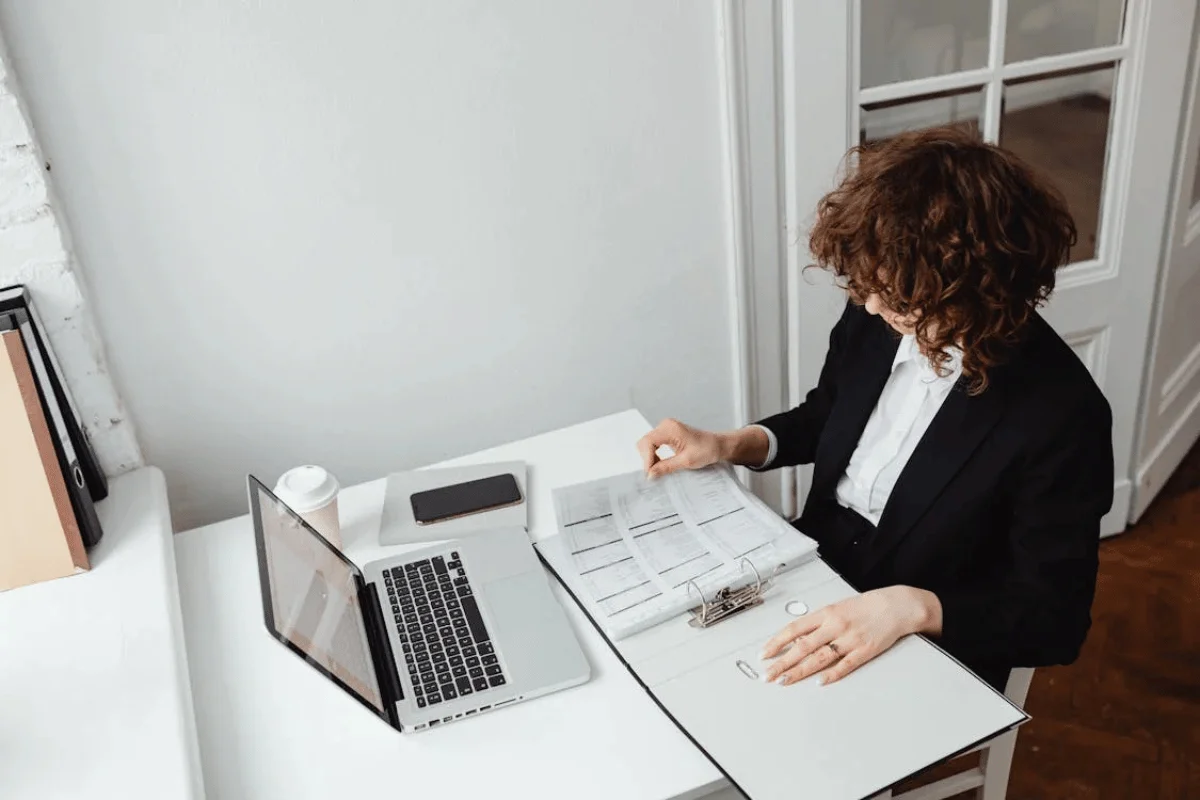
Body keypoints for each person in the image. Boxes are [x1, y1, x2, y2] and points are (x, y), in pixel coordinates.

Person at [637, 126, 1114, 693]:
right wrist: (729, 444)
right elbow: (829, 415)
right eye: (868, 285)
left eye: (898, 296)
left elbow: (1053, 620)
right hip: (814, 564)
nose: (868, 303)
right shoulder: (883, 304)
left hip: (926, 629)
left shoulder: (1062, 414)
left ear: (979, 292)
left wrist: (914, 609)